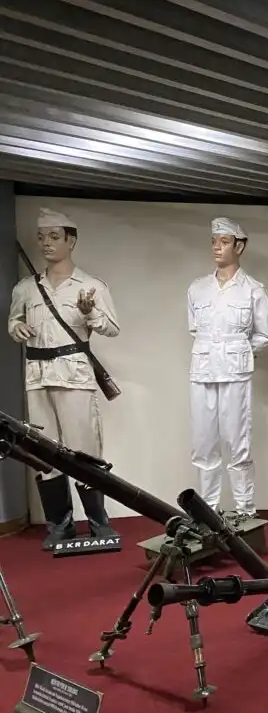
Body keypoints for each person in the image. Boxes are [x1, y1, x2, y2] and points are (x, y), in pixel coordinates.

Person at [7, 208, 120, 549]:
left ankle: (99, 523)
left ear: (71, 241)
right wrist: (16, 327)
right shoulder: (26, 288)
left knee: (84, 452)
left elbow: (112, 328)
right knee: (43, 454)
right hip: (38, 376)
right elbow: (14, 321)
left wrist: (89, 311)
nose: (46, 243)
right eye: (42, 237)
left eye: (54, 237)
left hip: (75, 376)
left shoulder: (91, 286)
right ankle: (60, 525)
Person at [187, 217, 268, 523]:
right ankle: (208, 512)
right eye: (214, 241)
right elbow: (194, 328)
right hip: (202, 371)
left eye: (224, 242)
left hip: (235, 372)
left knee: (238, 444)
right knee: (203, 445)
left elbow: (267, 332)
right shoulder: (198, 288)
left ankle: (245, 509)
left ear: (239, 247)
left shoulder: (252, 290)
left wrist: (240, 351)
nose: (217, 247)